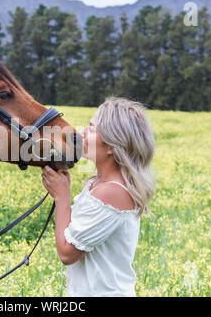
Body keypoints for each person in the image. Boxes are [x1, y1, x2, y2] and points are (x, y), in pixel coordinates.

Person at [41, 96, 156, 297]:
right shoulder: (100, 183)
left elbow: (67, 253)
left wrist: (61, 197)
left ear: (112, 146)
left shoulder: (112, 192)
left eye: (92, 129)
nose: (82, 132)